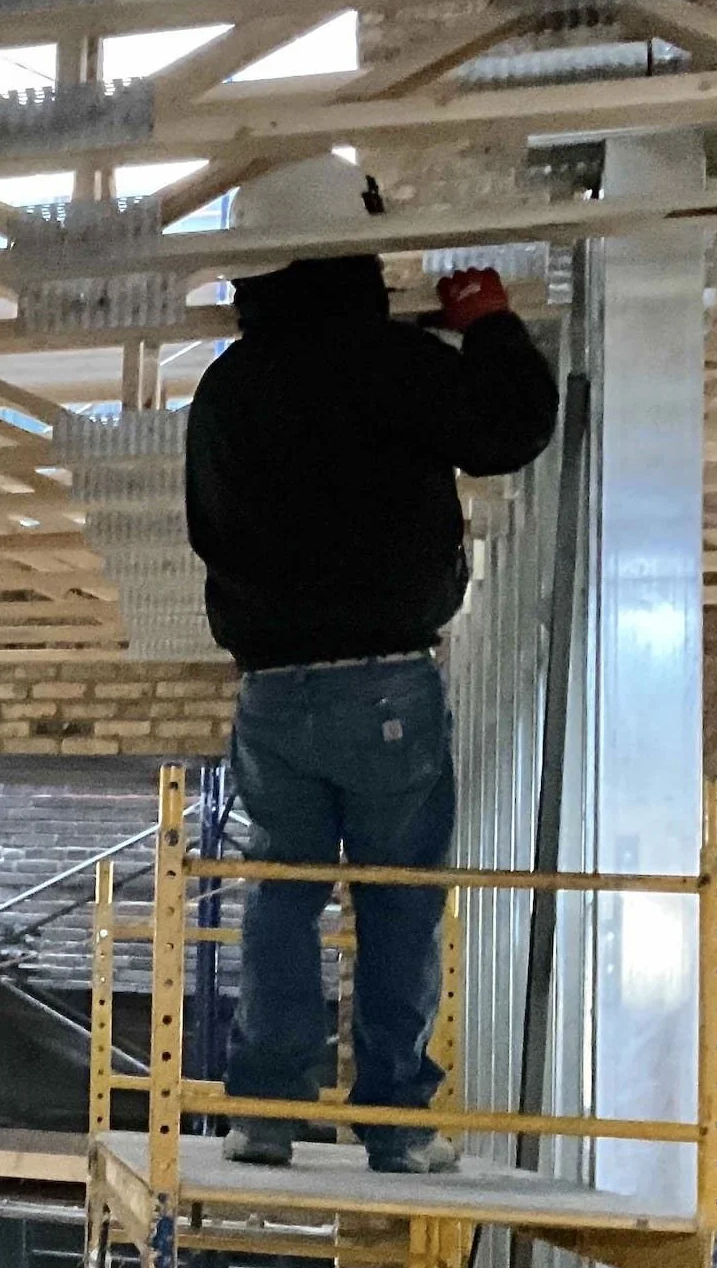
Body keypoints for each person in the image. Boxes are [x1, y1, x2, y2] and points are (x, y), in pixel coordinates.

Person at [185, 154, 559, 1174]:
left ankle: (266, 1110)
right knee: (395, 894)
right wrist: (487, 323)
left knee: (282, 890)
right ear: (351, 249)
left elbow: (204, 529)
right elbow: (509, 425)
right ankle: (394, 1121)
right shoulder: (384, 360)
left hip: (270, 694)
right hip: (386, 679)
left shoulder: (223, 391)